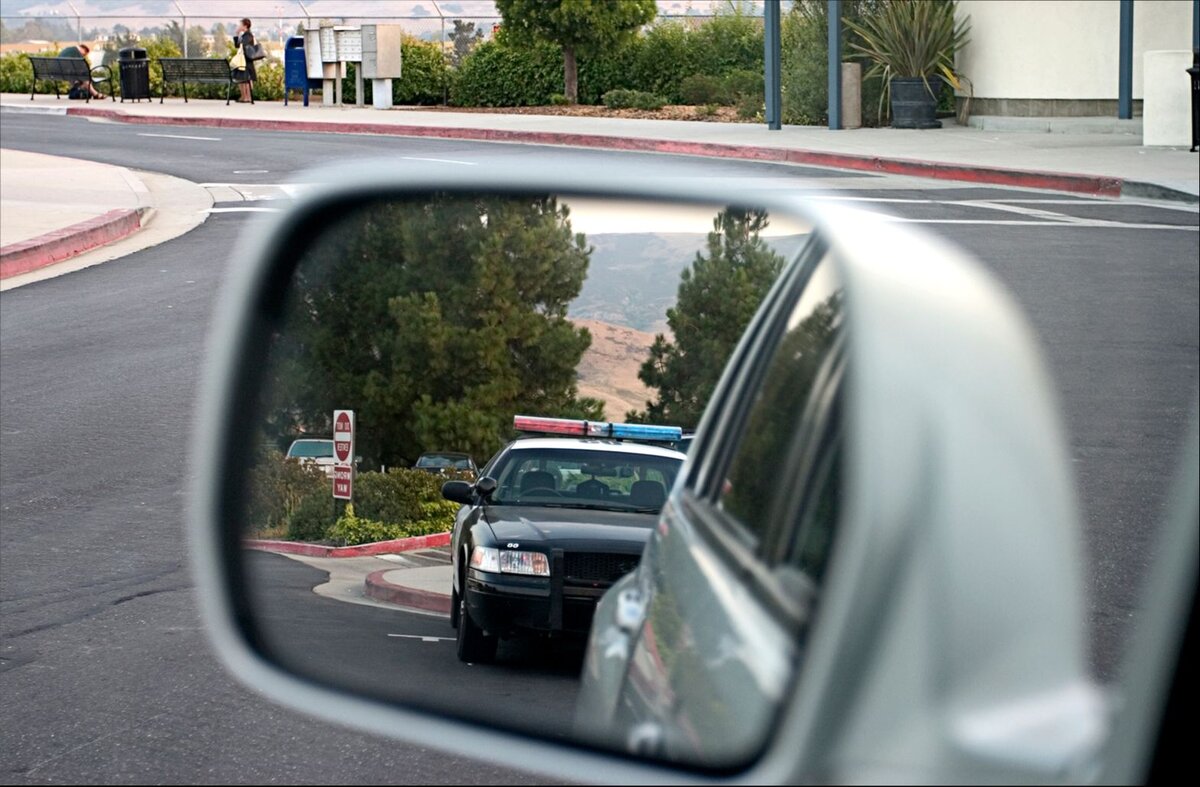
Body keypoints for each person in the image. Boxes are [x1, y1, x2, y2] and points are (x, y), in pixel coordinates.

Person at [231, 18, 256, 103]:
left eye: (241, 25)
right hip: (242, 60)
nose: (239, 26)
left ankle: (248, 97)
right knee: (241, 78)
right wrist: (237, 35)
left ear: (245, 26)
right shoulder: (244, 35)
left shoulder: (248, 35)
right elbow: (237, 45)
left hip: (247, 60)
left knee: (248, 79)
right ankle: (244, 96)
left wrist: (240, 37)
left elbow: (243, 44)